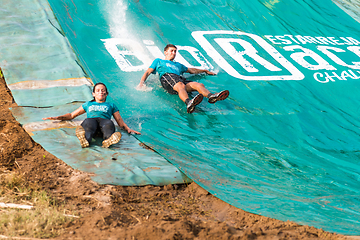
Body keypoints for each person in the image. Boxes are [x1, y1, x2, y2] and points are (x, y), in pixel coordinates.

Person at [137, 44, 229, 113]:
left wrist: (204, 70)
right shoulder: (159, 61)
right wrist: (142, 82)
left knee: (199, 85)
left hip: (179, 79)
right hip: (167, 77)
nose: (174, 53)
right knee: (180, 85)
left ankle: (211, 96)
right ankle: (188, 102)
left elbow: (191, 70)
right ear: (165, 52)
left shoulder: (178, 65)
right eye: (172, 51)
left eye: (175, 51)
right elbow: (148, 72)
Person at [43, 82, 140, 148]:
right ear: (93, 94)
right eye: (98, 90)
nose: (101, 92)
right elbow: (72, 115)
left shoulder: (111, 105)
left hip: (104, 123)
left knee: (108, 123)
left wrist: (128, 129)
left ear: (106, 94)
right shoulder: (88, 104)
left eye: (103, 90)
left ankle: (108, 140)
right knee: (88, 122)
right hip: (91, 122)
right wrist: (58, 117)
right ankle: (85, 140)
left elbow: (119, 121)